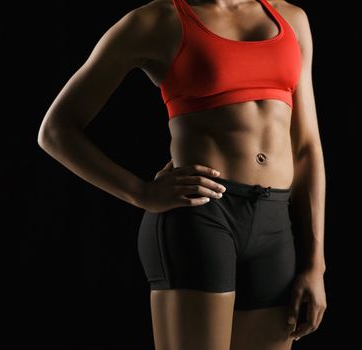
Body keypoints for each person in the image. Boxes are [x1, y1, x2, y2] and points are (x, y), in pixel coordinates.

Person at [37, 0, 326, 349]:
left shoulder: (291, 19)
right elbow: (55, 131)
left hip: (275, 223)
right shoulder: (158, 20)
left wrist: (315, 264)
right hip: (202, 216)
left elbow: (307, 148)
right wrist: (141, 193)